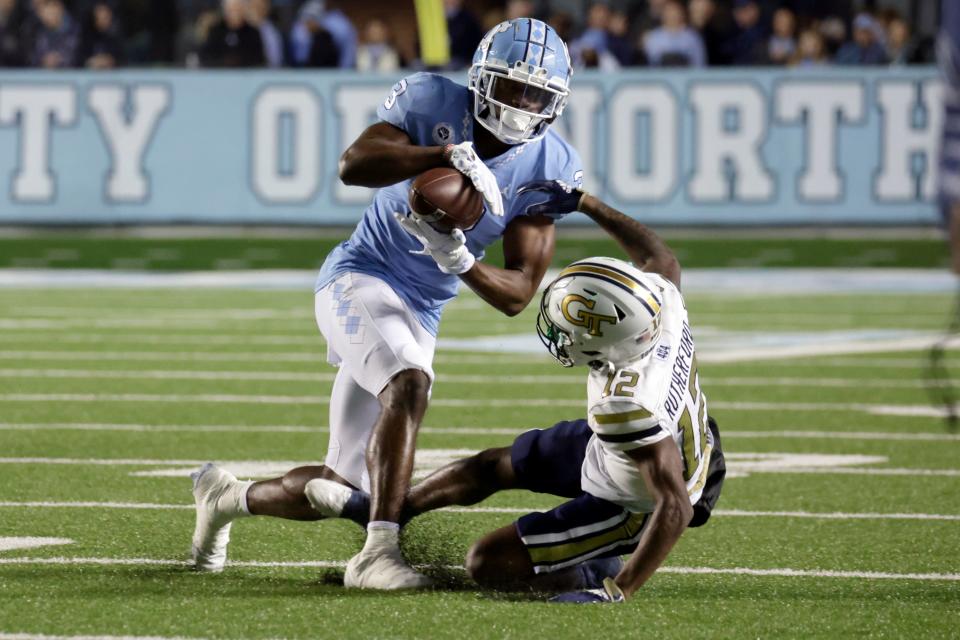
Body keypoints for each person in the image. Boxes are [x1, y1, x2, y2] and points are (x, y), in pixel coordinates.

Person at [189, 18, 584, 591]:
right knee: (409, 383)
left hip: (420, 308)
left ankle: (225, 497)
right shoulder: (433, 100)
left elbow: (519, 293)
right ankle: (377, 553)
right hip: (360, 275)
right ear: (479, 79)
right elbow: (354, 165)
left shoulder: (548, 166)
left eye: (536, 96)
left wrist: (462, 260)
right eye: (511, 87)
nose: (521, 106)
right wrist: (443, 155)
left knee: (350, 484)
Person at [305, 182, 726, 602]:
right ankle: (387, 514)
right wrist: (587, 203)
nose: (558, 336)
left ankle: (593, 568)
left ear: (609, 346)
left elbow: (675, 505)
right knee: (491, 466)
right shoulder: (660, 303)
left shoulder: (626, 406)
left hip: (633, 503)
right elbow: (660, 257)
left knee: (488, 564)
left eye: (570, 332)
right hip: (650, 443)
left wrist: (619, 591)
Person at [199, 0, 265, 68]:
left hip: (247, 75)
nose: (234, 12)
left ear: (243, 10)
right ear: (224, 10)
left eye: (237, 8)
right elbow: (206, 56)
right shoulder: (215, 31)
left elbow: (258, 60)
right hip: (220, 75)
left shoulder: (253, 33)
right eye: (231, 9)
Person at [643, 0, 705, 67]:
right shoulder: (654, 37)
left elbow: (699, 64)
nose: (672, 15)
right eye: (669, 12)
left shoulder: (692, 37)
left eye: (676, 12)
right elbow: (651, 65)